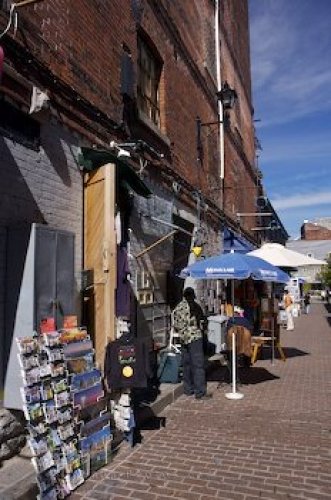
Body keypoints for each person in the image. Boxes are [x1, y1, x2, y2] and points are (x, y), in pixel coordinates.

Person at [173, 287, 211, 400]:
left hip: (183, 338)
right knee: (198, 365)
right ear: (193, 295)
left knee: (187, 364)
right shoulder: (194, 306)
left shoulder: (178, 307)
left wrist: (182, 333)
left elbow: (176, 324)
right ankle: (200, 392)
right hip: (194, 337)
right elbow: (202, 320)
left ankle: (188, 389)